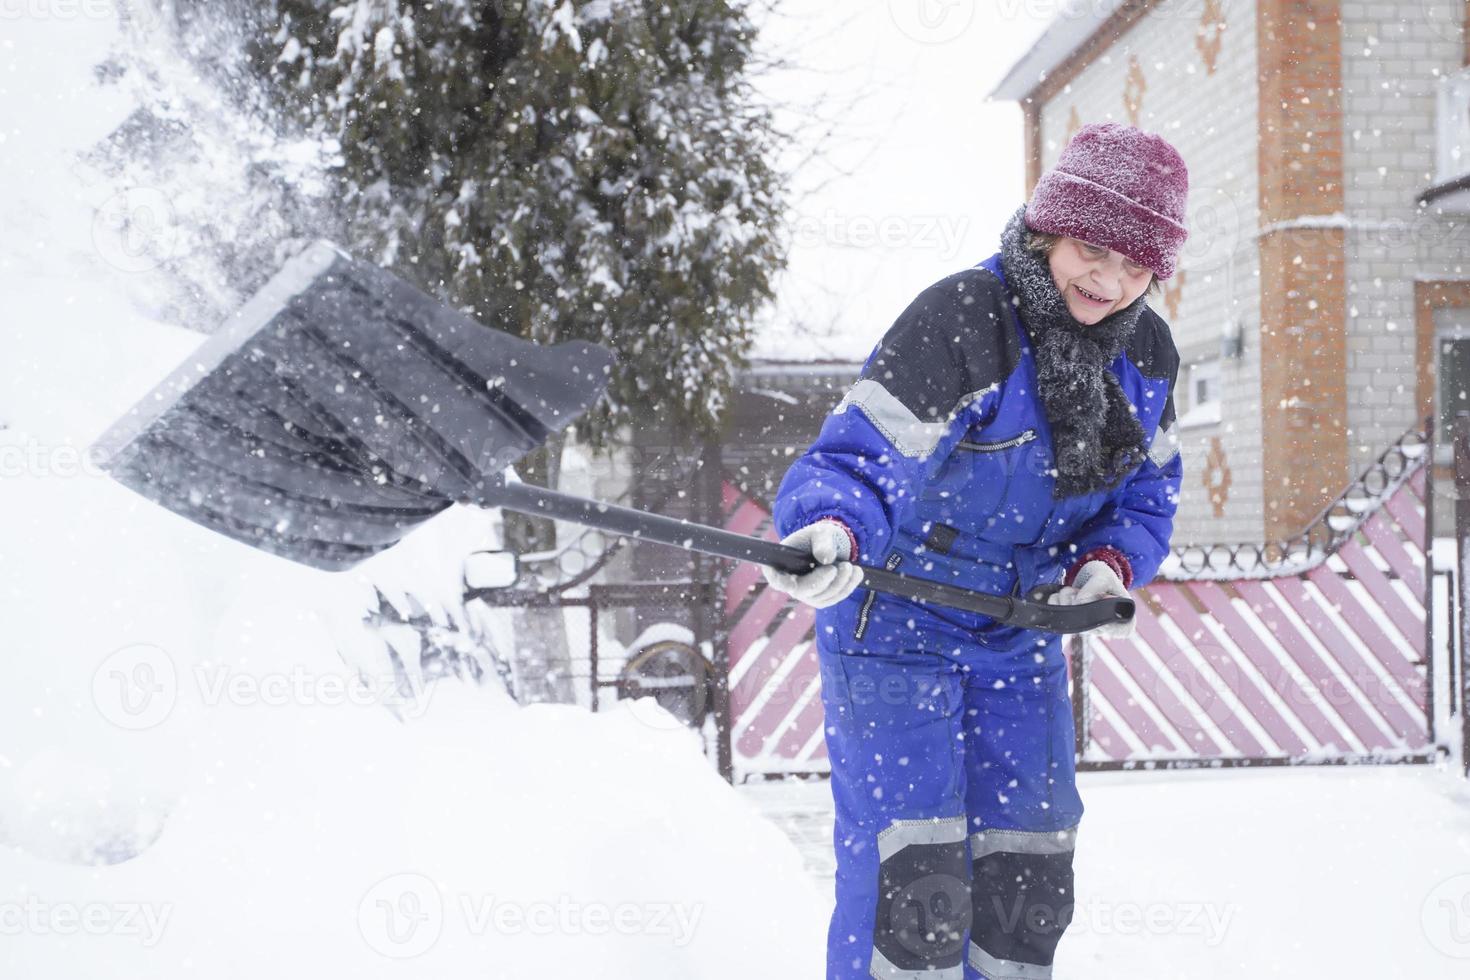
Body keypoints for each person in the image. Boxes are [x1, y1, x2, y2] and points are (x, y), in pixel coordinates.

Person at [764, 122, 1188, 980]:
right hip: (896, 621)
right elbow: (860, 455)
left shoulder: (1145, 357)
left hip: (1019, 629)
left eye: (1136, 267)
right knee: (914, 886)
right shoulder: (965, 320)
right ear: (1047, 229)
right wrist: (833, 529)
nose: (1108, 282)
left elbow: (1147, 493)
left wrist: (1104, 569)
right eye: (1090, 249)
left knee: (1024, 880)